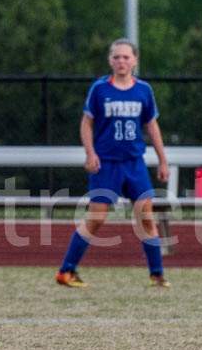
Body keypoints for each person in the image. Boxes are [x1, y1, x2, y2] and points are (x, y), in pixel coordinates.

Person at [55, 38, 170, 288]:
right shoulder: (100, 89)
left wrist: (162, 159)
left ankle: (157, 274)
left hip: (134, 163)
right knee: (96, 218)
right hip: (106, 163)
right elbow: (87, 122)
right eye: (117, 57)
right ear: (110, 60)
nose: (121, 61)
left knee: (146, 217)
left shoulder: (143, 90)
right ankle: (66, 271)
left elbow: (151, 125)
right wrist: (90, 153)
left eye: (126, 57)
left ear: (135, 60)